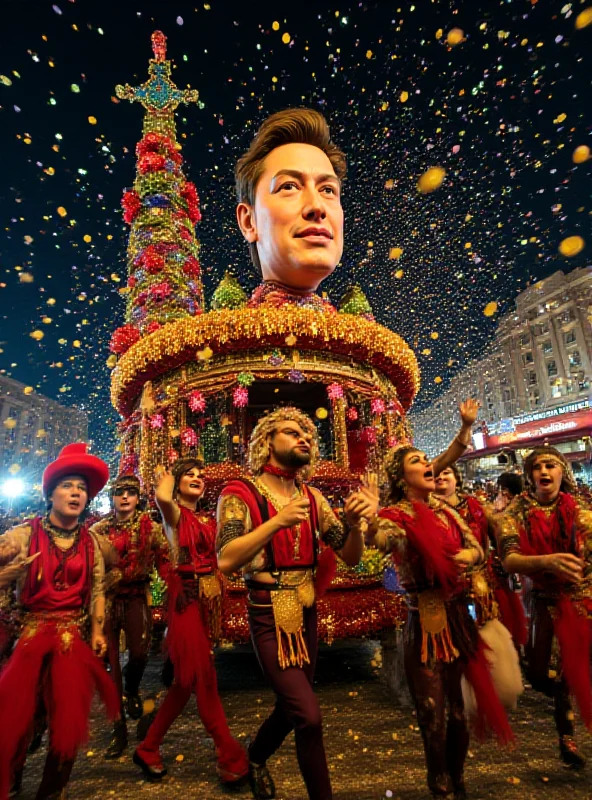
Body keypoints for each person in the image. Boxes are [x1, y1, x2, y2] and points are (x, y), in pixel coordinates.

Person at [216, 406, 378, 800]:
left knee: (293, 708)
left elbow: (352, 556)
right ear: (267, 441)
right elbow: (226, 559)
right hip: (268, 614)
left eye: (308, 433)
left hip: (306, 612)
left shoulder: (314, 496)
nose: (304, 437)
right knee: (308, 715)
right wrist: (277, 521)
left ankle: (254, 757)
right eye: (292, 432)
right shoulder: (239, 493)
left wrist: (356, 522)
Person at [373, 407, 514, 800]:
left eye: (426, 460)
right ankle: (438, 785)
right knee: (431, 715)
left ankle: (458, 777)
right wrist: (368, 523)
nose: (429, 465)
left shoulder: (449, 512)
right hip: (424, 624)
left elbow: (478, 551)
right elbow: (383, 539)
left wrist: (468, 559)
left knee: (458, 713)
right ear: (403, 479)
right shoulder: (396, 514)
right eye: (418, 462)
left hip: (459, 619)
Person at [0, 443, 119, 800]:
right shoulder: (22, 535)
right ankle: (11, 780)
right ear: (50, 494)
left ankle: (52, 792)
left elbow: (97, 589)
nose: (76, 493)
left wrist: (97, 629)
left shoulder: (92, 542)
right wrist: (9, 572)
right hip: (29, 640)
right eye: (68, 486)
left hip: (72, 639)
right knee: (17, 722)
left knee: (67, 724)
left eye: (82, 488)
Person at [133, 457, 248, 785]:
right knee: (206, 681)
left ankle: (149, 747)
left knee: (185, 685)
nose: (197, 478)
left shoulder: (207, 518)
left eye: (200, 475)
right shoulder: (175, 516)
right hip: (185, 606)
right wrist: (165, 481)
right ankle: (229, 754)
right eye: (189, 475)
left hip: (206, 605)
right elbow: (164, 499)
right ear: (178, 482)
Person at [499, 445, 592, 768]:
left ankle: (566, 735)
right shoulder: (516, 512)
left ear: (561, 473)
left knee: (568, 670)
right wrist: (547, 561)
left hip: (582, 599)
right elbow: (509, 560)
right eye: (537, 466)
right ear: (529, 476)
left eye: (550, 465)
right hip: (541, 601)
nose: (544, 471)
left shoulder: (580, 509)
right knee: (540, 675)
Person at [90, 474, 169, 759]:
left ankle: (133, 687)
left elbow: (165, 560)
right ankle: (118, 730)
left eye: (130, 493)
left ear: (138, 498)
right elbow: (93, 568)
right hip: (108, 601)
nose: (124, 497)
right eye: (119, 492)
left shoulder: (151, 528)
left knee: (139, 654)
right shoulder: (98, 529)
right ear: (112, 498)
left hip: (137, 596)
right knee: (110, 661)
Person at [235, 107, 345, 311]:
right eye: (289, 186)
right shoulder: (219, 340)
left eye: (328, 190)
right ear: (249, 221)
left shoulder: (365, 341)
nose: (316, 206)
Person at [435, 466, 527, 649]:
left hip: (485, 582)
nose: (441, 477)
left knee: (497, 641)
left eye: (446, 472)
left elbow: (500, 533)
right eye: (435, 474)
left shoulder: (476, 505)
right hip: (446, 589)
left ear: (457, 478)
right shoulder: (425, 511)